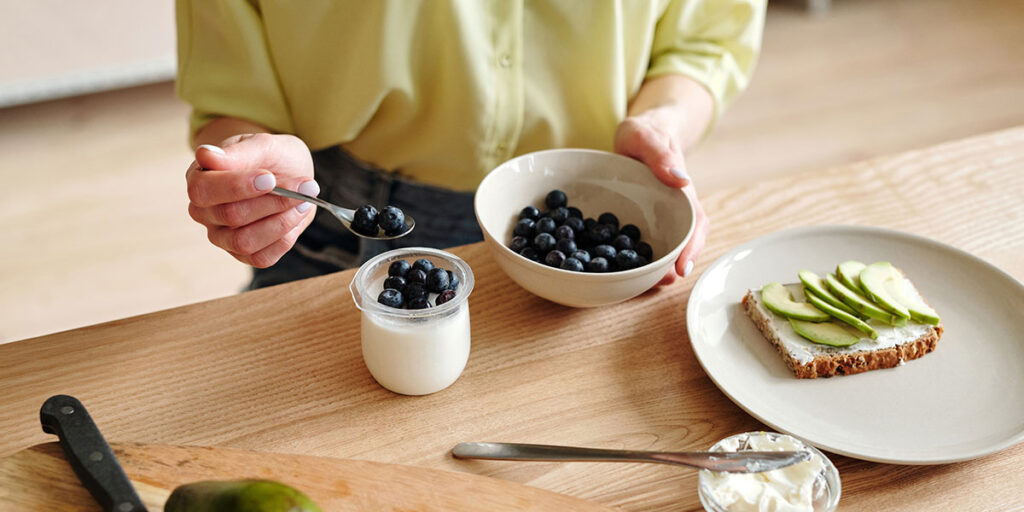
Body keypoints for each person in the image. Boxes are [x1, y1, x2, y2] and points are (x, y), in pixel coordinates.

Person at [177, 1, 765, 289]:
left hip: (590, 229)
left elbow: (707, 38)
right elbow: (231, 82)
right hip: (330, 225)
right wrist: (245, 164)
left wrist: (663, 124)